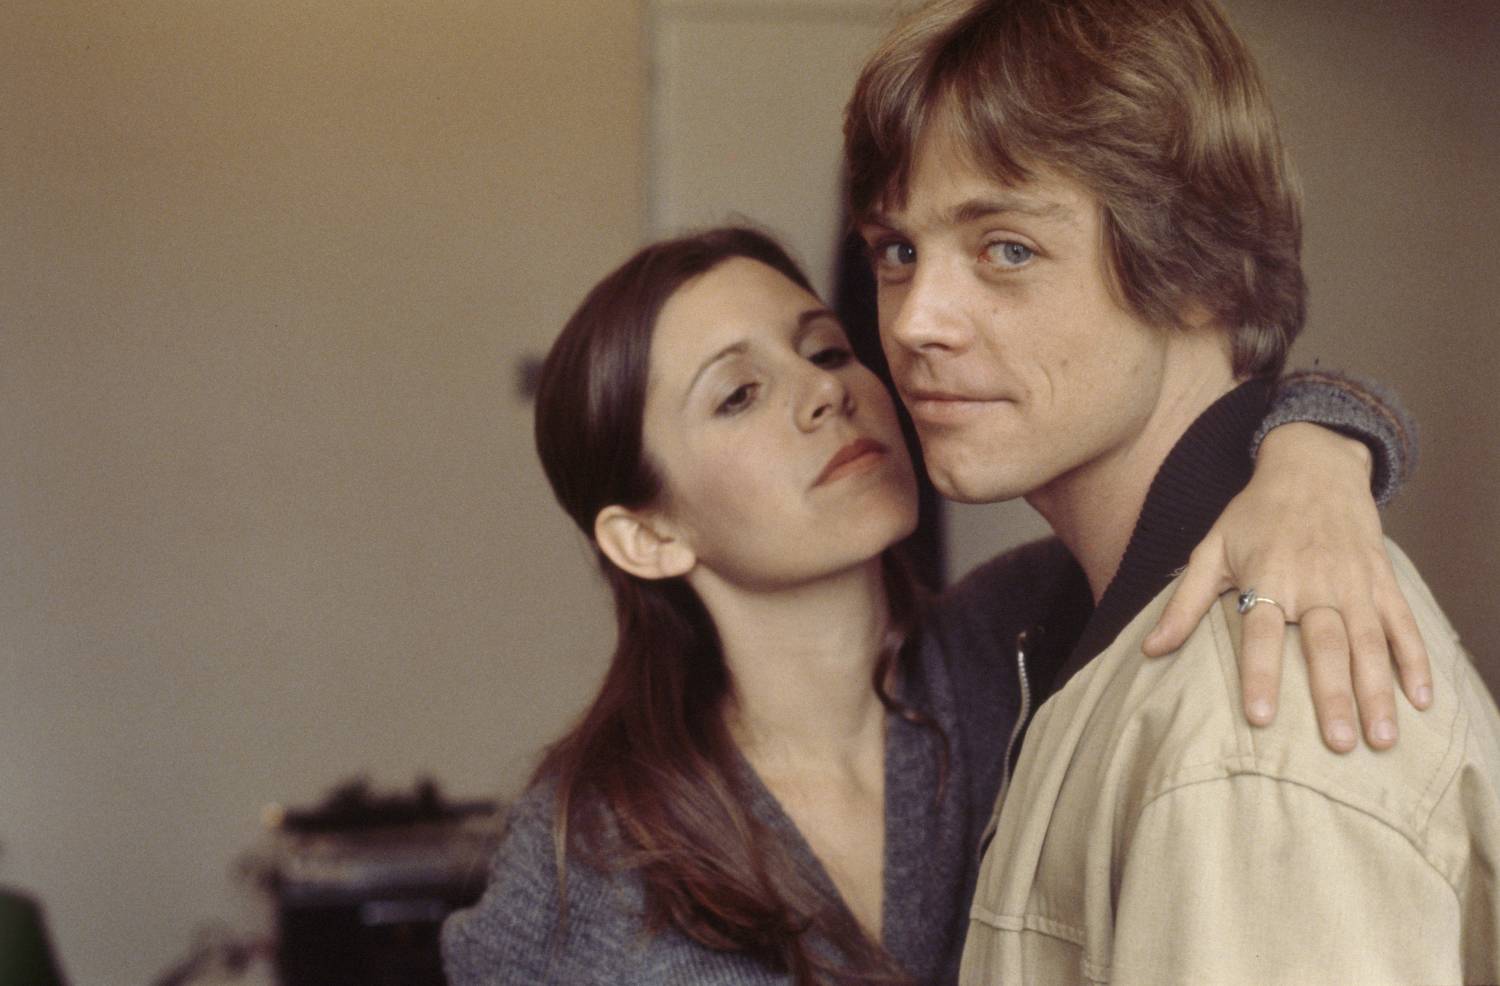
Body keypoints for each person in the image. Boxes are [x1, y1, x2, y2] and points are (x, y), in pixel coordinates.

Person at [442, 226, 1422, 984]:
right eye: (738, 394)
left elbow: (1250, 427)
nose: (826, 394)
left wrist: (1317, 460)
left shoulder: (1026, 635)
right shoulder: (586, 848)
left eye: (825, 349)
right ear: (645, 535)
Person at [843, 0, 1500, 981]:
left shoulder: (1260, 722)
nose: (916, 322)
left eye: (1006, 248)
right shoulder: (1069, 611)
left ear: (1201, 270)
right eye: (899, 250)